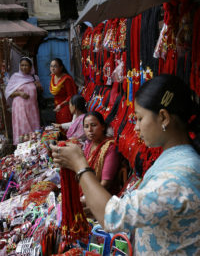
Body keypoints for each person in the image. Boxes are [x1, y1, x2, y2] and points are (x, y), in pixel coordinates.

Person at [51, 74, 200, 255]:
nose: (136, 127)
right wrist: (97, 206)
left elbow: (113, 216)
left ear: (163, 117)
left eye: (139, 118)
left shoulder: (180, 176)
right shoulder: (174, 158)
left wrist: (80, 165)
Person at [5, 57, 42, 145]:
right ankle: (22, 146)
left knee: (33, 126)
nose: (24, 67)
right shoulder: (15, 77)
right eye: (22, 65)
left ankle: (35, 145)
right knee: (23, 125)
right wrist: (20, 94)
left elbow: (40, 92)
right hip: (20, 108)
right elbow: (8, 93)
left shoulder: (34, 77)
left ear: (30, 67)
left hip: (32, 108)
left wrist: (39, 87)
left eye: (26, 65)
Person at [49, 58, 77, 124]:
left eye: (55, 66)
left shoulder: (66, 79)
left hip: (66, 106)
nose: (52, 68)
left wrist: (61, 105)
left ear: (61, 67)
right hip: (57, 106)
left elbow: (71, 96)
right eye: (51, 66)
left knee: (65, 126)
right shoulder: (53, 77)